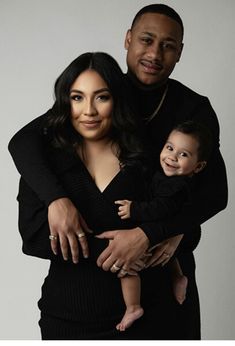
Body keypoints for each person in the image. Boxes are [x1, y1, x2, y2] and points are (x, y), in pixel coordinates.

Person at [8, 4, 228, 340]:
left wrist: (151, 234)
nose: (154, 53)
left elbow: (214, 194)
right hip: (74, 309)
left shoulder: (192, 111)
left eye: (168, 45)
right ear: (128, 39)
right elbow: (23, 140)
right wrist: (57, 199)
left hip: (161, 288)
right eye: (146, 40)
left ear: (180, 52)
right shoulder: (101, 90)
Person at [115, 120, 213, 328]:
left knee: (127, 266)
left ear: (199, 166)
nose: (172, 157)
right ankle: (178, 277)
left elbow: (160, 208)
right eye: (169, 148)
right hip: (167, 235)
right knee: (167, 255)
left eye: (183, 154)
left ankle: (133, 307)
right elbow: (149, 181)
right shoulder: (166, 176)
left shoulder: (177, 186)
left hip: (160, 231)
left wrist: (134, 209)